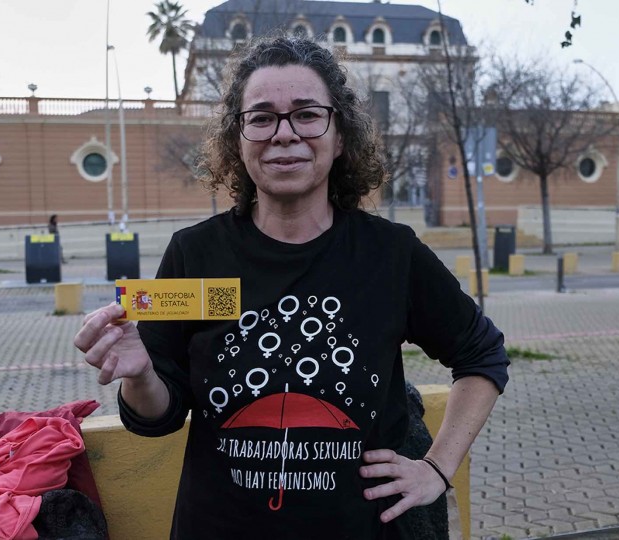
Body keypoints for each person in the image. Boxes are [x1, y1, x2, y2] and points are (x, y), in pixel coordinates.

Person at [74, 36, 509, 539]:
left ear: (340, 135)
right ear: (237, 139)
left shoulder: (391, 253)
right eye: (261, 117)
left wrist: (436, 468)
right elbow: (158, 417)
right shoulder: (195, 254)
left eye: (306, 114)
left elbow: (482, 354)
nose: (284, 134)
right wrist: (141, 376)